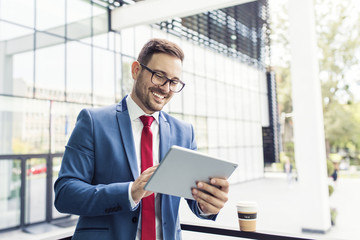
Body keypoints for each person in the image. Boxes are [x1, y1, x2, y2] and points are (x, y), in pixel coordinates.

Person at [54, 38, 229, 240]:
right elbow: (65, 194)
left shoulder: (184, 132)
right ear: (136, 70)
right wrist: (131, 191)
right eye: (159, 76)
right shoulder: (93, 122)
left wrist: (207, 204)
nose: (165, 88)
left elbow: (194, 198)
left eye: (173, 82)